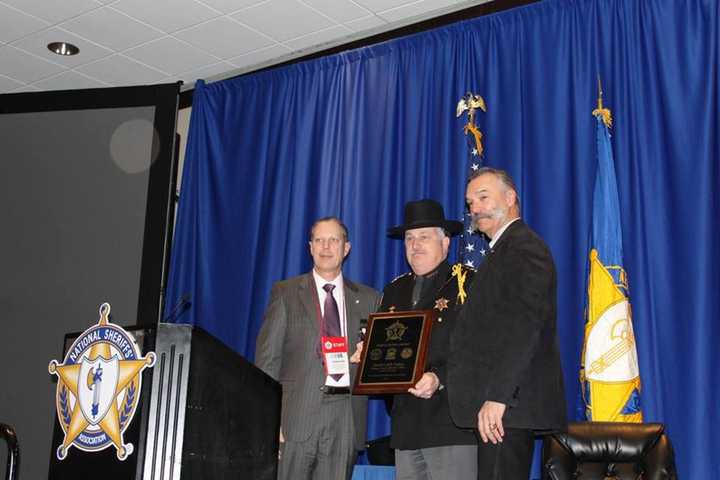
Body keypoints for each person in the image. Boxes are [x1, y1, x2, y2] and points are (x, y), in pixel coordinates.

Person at [447, 167, 567, 479]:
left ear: (511, 197)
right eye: (470, 202)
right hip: (499, 409)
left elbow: (524, 329)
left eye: (483, 197)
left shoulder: (524, 248)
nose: (475, 208)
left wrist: (499, 397)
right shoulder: (502, 250)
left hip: (506, 410)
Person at [255, 217, 380, 480]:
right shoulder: (285, 293)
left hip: (345, 420)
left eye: (333, 240)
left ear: (346, 248)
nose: (326, 247)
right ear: (310, 247)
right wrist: (270, 422)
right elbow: (267, 363)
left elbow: (379, 365)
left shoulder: (370, 299)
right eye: (319, 240)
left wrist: (368, 359)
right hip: (294, 420)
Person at [380, 199, 478, 480]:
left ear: (445, 243)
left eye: (424, 236)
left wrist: (440, 377)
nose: (415, 245)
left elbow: (480, 352)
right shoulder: (393, 290)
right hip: (406, 429)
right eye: (409, 238)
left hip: (450, 425)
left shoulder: (466, 284)